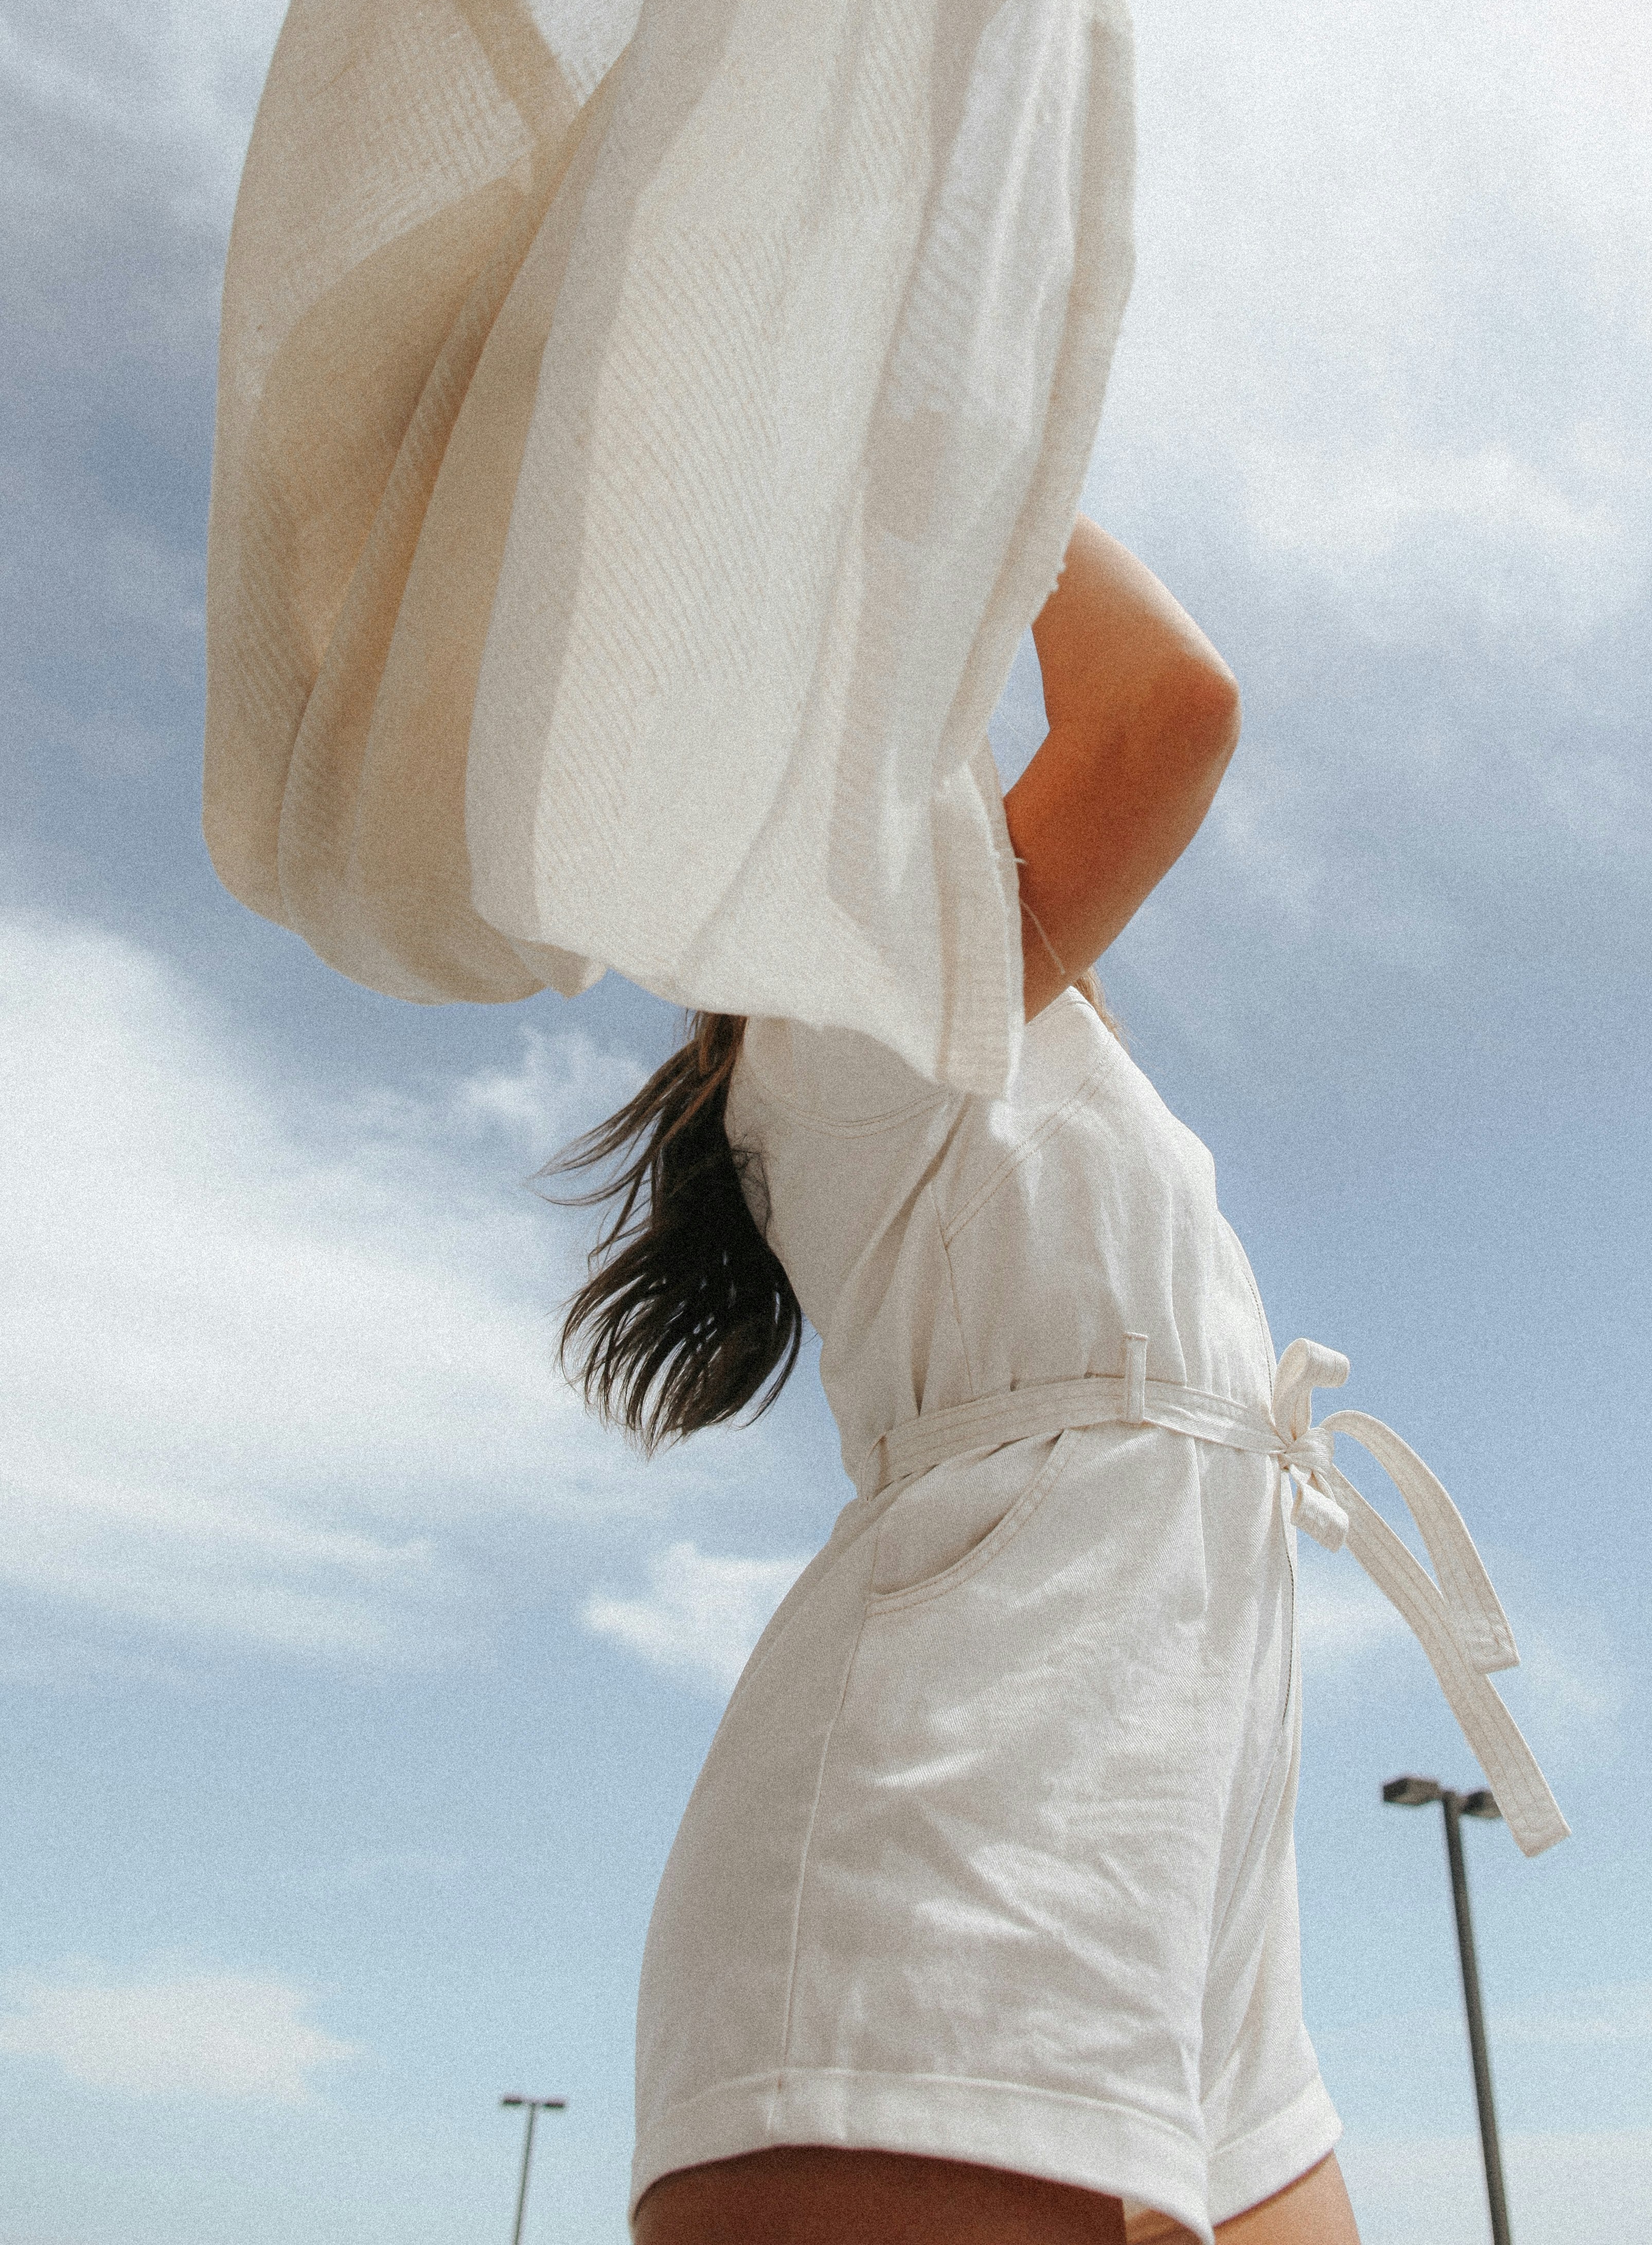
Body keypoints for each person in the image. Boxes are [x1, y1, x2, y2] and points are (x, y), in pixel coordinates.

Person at [559, 516, 1365, 2244]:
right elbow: (1172, 707)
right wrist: (946, 373)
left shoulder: (935, 1026)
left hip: (1171, 1820)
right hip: (958, 1825)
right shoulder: (851, 992)